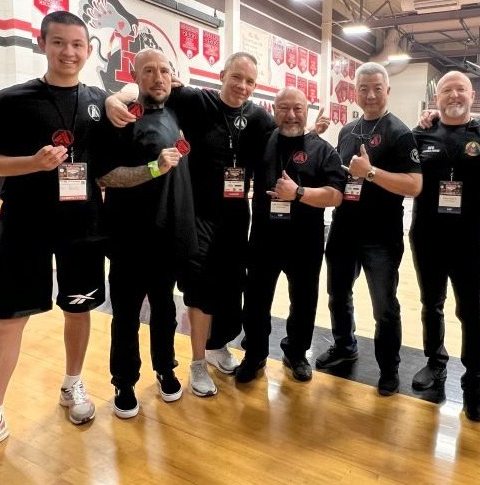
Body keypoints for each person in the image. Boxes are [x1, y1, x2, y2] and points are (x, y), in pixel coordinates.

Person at [0, 11, 108, 477]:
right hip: (25, 224)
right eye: (59, 43)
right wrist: (33, 164)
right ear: (42, 43)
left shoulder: (100, 101)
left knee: (79, 309)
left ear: (88, 50)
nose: (69, 52)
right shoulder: (11, 99)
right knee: (8, 319)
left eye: (77, 44)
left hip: (83, 225)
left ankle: (72, 384)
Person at [106, 52, 329, 396]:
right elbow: (148, 88)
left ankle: (216, 346)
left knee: (231, 289)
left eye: (250, 81)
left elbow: (287, 134)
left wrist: (312, 131)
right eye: (236, 77)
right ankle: (197, 361)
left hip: (237, 216)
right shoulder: (196, 99)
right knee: (200, 289)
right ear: (222, 74)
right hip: (197, 214)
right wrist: (114, 99)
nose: (242, 86)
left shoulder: (258, 118)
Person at [315, 62, 422, 396]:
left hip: (381, 237)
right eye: (364, 89)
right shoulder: (347, 131)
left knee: (384, 307)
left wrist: (371, 172)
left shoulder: (400, 133)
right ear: (355, 92)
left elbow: (414, 185)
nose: (371, 95)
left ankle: (389, 368)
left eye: (377, 88)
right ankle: (344, 346)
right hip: (344, 229)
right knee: (338, 295)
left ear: (387, 90)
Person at [95, 49, 190, 418]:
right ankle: (124, 381)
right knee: (126, 316)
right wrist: (153, 168)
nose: (158, 77)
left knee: (165, 310)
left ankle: (165, 368)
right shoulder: (122, 118)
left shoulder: (177, 112)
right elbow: (106, 175)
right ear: (134, 77)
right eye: (148, 71)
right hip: (129, 239)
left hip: (168, 236)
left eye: (164, 70)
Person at [236, 88, 344, 382]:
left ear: (307, 111)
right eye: (284, 108)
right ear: (274, 110)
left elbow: (335, 195)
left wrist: (298, 192)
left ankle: (296, 353)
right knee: (256, 300)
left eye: (298, 108)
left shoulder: (323, 150)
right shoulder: (261, 142)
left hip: (305, 242)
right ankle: (254, 353)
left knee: (304, 301)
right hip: (263, 239)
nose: (291, 115)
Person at [409, 71, 480, 420]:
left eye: (461, 89)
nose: (454, 95)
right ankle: (435, 362)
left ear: (473, 95)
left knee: (471, 313)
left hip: (468, 240)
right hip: (426, 236)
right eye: (447, 90)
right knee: (431, 305)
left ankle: (474, 384)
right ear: (437, 98)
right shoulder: (419, 134)